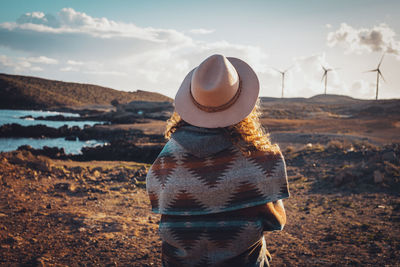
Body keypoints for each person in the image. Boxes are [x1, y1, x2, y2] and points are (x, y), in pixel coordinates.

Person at [146, 54, 289, 267]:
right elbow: (276, 223)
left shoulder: (165, 160)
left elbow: (163, 212)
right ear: (244, 104)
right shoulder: (262, 158)